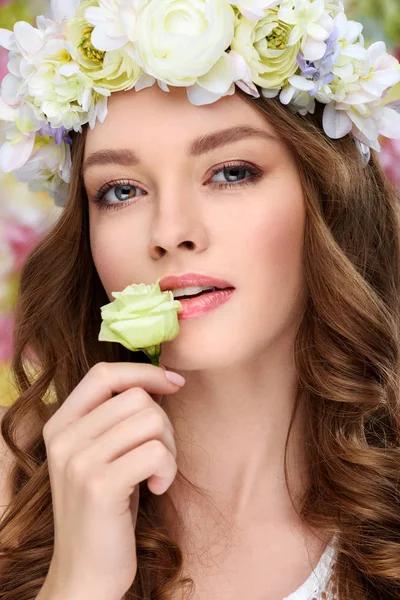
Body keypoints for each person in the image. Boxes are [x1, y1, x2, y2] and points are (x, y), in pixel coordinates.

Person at [0, 1, 400, 599]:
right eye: (121, 189)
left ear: (326, 195)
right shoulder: (14, 479)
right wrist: (79, 583)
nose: (169, 231)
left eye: (231, 172)